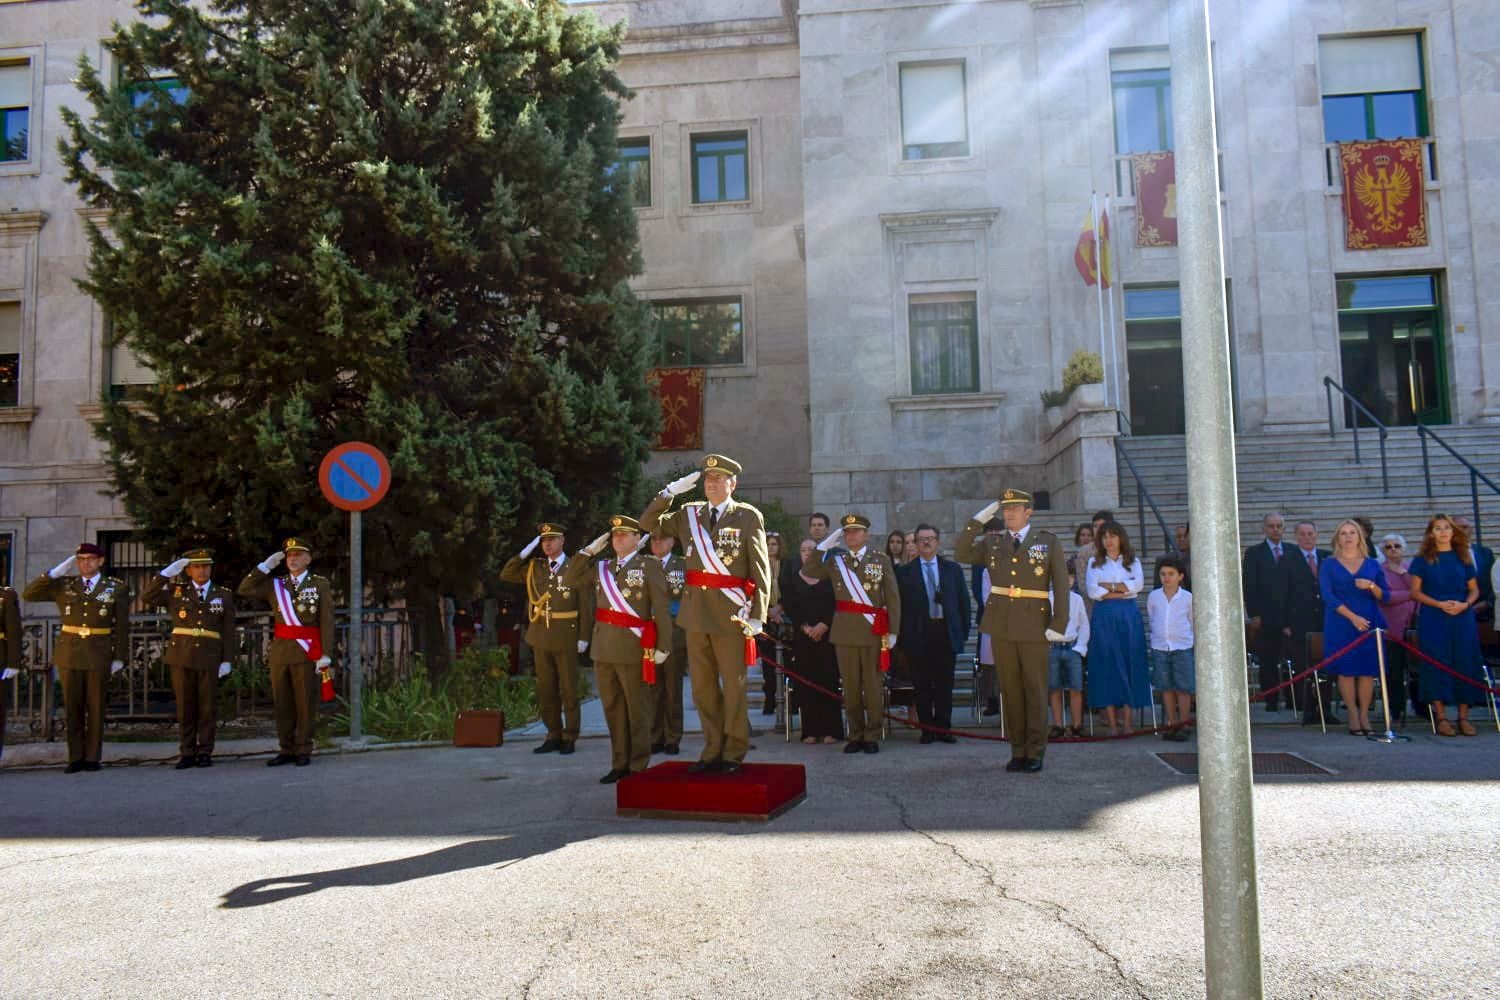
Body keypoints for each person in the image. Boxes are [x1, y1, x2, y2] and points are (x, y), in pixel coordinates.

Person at [640, 454, 771, 775]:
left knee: (734, 686)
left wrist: (758, 615)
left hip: (732, 616)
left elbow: (762, 568)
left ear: (732, 484)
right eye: (708, 479)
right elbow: (648, 525)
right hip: (695, 615)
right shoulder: (688, 514)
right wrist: (669, 492)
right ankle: (712, 748)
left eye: (719, 479)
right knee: (702, 689)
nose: (712, 484)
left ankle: (734, 750)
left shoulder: (747, 516)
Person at [955, 489, 1070, 773]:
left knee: (1034, 689)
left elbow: (1061, 586)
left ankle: (1035, 751)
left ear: (1028, 511)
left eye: (1015, 509)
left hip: (1034, 625)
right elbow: (960, 552)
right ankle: (1017, 750)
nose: (1008, 514)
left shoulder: (1047, 542)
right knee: (1011, 691)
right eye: (1005, 510)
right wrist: (977, 521)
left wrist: (1059, 623)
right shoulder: (993, 543)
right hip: (1002, 624)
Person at [563, 516, 671, 782]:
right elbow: (569, 578)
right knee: (612, 708)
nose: (618, 539)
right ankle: (619, 762)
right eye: (615, 535)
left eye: (625, 534)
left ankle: (637, 765)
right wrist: (587, 552)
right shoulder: (601, 568)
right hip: (603, 649)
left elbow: (661, 609)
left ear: (637, 538)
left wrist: (664, 645)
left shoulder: (649, 566)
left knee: (637, 710)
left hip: (634, 648)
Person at [23, 543, 130, 773]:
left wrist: (119, 657)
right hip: (70, 653)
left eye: (90, 558)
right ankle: (75, 757)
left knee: (95, 706)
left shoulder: (115, 587)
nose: (85, 563)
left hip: (98, 653)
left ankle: (92, 758)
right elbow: (29, 594)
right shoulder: (65, 585)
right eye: (81, 559)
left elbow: (122, 626)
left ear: (101, 561)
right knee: (72, 707)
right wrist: (52, 574)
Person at [804, 514, 901, 754]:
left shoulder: (880, 560)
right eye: (847, 532)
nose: (851, 536)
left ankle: (872, 734)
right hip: (845, 632)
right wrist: (823, 546)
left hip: (872, 631)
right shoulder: (837, 561)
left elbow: (893, 597)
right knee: (850, 687)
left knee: (873, 686)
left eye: (856, 531)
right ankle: (855, 733)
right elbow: (810, 570)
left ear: (866, 534)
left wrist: (894, 631)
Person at [238, 537, 334, 767]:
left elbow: (326, 621)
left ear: (308, 559)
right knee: (282, 704)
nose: (293, 559)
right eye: (290, 555)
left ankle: (303, 748)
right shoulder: (276, 584)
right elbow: (244, 589)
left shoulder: (319, 584)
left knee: (304, 703)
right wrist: (265, 566)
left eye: (298, 555)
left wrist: (326, 654)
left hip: (306, 652)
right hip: (281, 652)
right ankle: (286, 748)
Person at [140, 548, 236, 768]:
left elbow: (228, 630)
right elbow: (147, 596)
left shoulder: (223, 594)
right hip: (182, 656)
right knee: (185, 706)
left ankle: (205, 752)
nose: (202, 571)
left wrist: (227, 659)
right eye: (197, 567)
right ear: (188, 570)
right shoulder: (176, 592)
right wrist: (165, 574)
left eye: (206, 566)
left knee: (207, 707)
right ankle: (187, 752)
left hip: (210, 656)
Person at [500, 522, 590, 755]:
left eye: (551, 539)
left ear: (562, 541)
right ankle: (553, 734)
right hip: (540, 636)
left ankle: (570, 735)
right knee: (546, 688)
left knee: (569, 689)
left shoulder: (574, 567)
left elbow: (586, 605)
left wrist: (584, 636)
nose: (547, 544)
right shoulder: (534, 568)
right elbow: (507, 573)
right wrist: (525, 551)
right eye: (543, 541)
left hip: (567, 636)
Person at [1408, 514, 1486, 737]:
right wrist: (1439, 603)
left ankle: (1463, 717)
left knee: (1465, 661)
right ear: (1431, 533)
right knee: (1437, 662)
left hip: (1462, 617)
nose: (1443, 532)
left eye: (1446, 528)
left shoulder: (1463, 557)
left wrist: (1465, 604)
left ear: (1453, 532)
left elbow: (1474, 589)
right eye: (1437, 528)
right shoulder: (1422, 559)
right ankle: (1441, 717)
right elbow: (1415, 592)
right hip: (1434, 616)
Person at [897, 524, 971, 744]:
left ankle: (944, 728)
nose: (926, 542)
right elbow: (900, 608)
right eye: (921, 539)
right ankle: (927, 729)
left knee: (945, 684)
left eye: (930, 538)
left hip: (945, 632)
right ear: (916, 544)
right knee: (922, 684)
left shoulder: (952, 569)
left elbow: (963, 604)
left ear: (938, 542)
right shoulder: (905, 573)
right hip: (919, 633)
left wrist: (962, 633)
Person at [1320, 519, 1387, 736]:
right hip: (1341, 621)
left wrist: (1371, 585)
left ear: (1360, 537)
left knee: (1367, 671)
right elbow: (1328, 595)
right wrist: (1352, 617)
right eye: (1343, 533)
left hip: (1369, 621)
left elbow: (1385, 595)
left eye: (1352, 532)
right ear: (1337, 538)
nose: (1348, 537)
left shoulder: (1373, 564)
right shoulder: (1329, 564)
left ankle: (1365, 715)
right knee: (1346, 671)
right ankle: (1352, 713)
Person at [1085, 522, 1150, 736]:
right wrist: (1121, 588)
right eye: (1104, 537)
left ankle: (1128, 722)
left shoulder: (1133, 562)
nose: (1108, 540)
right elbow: (1093, 591)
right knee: (1107, 664)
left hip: (1128, 616)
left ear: (1121, 538)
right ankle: (1112, 724)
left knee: (1130, 661)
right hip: (1104, 616)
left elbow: (1137, 586)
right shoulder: (1094, 562)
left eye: (1113, 536)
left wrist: (1109, 587)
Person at [781, 537, 844, 744]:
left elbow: (838, 603)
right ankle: (810, 730)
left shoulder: (829, 577)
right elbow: (790, 606)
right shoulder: (792, 579)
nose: (807, 553)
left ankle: (831, 731)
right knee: (807, 682)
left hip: (828, 637)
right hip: (803, 637)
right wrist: (804, 626)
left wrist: (824, 624)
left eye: (811, 549)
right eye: (803, 550)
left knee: (828, 680)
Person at [1285, 520, 1337, 724]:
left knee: (1326, 667)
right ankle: (1308, 709)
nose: (1307, 538)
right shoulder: (1288, 559)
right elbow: (1282, 592)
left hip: (1325, 621)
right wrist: (1285, 623)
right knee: (1303, 667)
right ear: (1296, 537)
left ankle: (1325, 709)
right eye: (1303, 534)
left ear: (1316, 535)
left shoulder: (1327, 557)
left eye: (1310, 534)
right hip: (1299, 623)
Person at [1241, 512, 1290, 711]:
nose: (1275, 529)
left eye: (1279, 526)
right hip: (1265, 616)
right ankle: (1271, 700)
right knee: (1268, 661)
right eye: (1271, 526)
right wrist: (1254, 614)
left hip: (1289, 616)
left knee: (1291, 660)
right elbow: (1249, 585)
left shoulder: (1292, 551)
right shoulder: (1254, 553)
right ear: (1264, 528)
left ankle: (1292, 699)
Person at [649, 532, 689, 755]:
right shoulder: (644, 565)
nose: (657, 543)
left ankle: (673, 737)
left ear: (672, 542)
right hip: (650, 633)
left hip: (674, 633)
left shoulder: (682, 565)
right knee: (653, 689)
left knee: (673, 688)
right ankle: (655, 736)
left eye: (662, 539)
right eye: (654, 539)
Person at [1148, 556, 1194, 741]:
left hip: (1182, 646)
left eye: (1171, 574)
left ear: (1180, 576)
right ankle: (1171, 723)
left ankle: (1184, 723)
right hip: (1160, 647)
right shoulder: (1154, 596)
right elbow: (1152, 618)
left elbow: (1192, 620)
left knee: (1183, 687)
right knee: (1165, 686)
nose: (1166, 578)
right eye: (1163, 574)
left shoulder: (1187, 598)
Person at [1047, 559, 1089, 739]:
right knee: (1054, 688)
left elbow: (1084, 625)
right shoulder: (1047, 598)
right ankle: (1057, 724)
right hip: (1053, 648)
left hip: (1072, 648)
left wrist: (1080, 647)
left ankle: (1077, 724)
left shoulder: (1077, 599)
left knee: (1076, 688)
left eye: (1069, 577)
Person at [1378, 534, 1417, 721]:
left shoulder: (1411, 569)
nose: (1393, 549)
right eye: (1388, 547)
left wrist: (1402, 573)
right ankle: (1396, 709)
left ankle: (1422, 708)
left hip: (1414, 626)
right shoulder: (1379, 571)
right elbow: (1386, 597)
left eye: (1397, 546)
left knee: (1417, 670)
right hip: (1391, 629)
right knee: (1394, 672)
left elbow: (1420, 591)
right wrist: (1411, 594)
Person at [970, 518, 1004, 717]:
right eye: (991, 533)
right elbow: (977, 589)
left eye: (998, 534)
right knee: (988, 665)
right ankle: (991, 700)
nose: (994, 537)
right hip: (987, 617)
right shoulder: (979, 557)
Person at [1452, 516, 1494, 623]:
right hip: (1456, 616)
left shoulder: (1486, 553)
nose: (1461, 531)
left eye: (1465, 527)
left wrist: (1487, 603)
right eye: (1457, 527)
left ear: (1471, 530)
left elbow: (1495, 582)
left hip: (1487, 615)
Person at [1072, 523, 1095, 608]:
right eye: (1083, 535)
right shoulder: (1072, 558)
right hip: (1077, 595)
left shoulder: (1097, 557)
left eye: (1089, 535)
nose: (1086, 538)